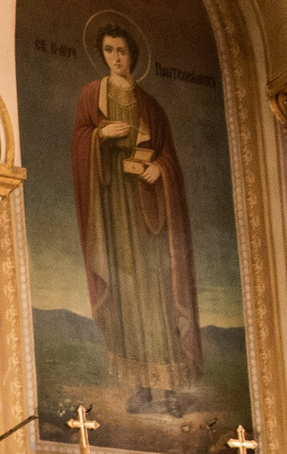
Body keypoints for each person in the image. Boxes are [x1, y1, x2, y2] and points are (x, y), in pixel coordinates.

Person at [71, 19, 200, 414]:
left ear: (133, 56)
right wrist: (99, 137)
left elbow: (169, 157)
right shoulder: (92, 96)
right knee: (126, 295)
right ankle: (141, 387)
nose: (116, 58)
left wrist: (160, 168)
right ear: (102, 53)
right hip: (113, 210)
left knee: (156, 293)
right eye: (109, 50)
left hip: (148, 216)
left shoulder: (153, 108)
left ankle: (170, 388)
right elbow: (80, 140)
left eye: (122, 51)